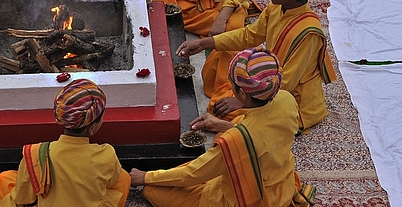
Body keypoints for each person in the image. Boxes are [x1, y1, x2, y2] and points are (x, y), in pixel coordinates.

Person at [130, 47, 316, 207]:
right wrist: (222, 125)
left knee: (153, 191)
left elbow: (193, 174)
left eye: (232, 85)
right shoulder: (286, 99)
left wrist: (145, 176)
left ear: (242, 93)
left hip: (245, 198)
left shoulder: (235, 140)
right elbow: (262, 136)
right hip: (281, 185)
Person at [176, 0, 336, 132]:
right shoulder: (276, 7)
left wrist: (240, 100)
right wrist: (204, 43)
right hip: (268, 79)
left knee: (225, 112)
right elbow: (250, 35)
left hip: (290, 100)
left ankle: (233, 128)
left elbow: (286, 83)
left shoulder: (308, 33)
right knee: (221, 61)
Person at [0, 78, 131, 206]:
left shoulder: (36, 154)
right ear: (93, 127)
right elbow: (112, 181)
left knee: (3, 180)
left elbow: (23, 199)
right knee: (123, 177)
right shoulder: (107, 155)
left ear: (61, 119)